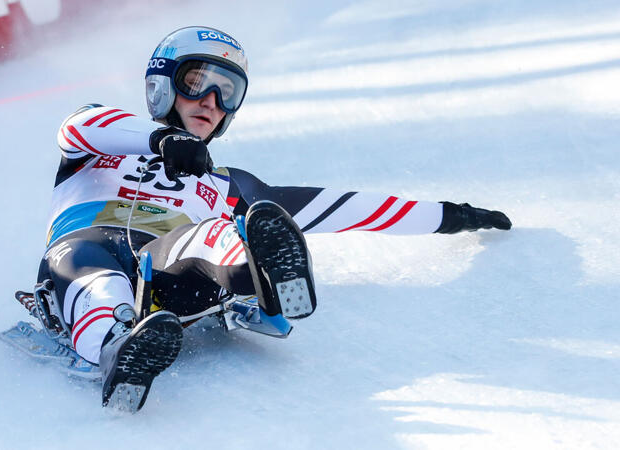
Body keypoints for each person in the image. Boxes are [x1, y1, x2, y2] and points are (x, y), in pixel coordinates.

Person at [36, 26, 511, 412]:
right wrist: (160, 140)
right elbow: (76, 125)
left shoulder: (225, 182)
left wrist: (450, 216)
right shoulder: (103, 141)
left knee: (223, 232)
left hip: (166, 273)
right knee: (88, 268)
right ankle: (119, 347)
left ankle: (266, 281)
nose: (212, 102)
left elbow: (342, 206)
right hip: (84, 245)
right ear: (162, 85)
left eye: (229, 93)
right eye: (199, 83)